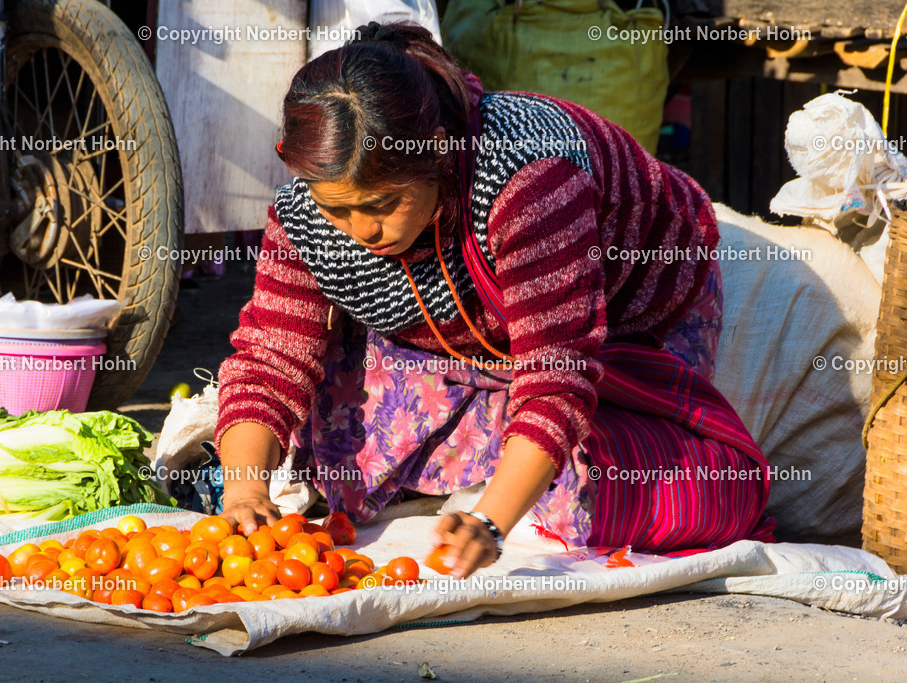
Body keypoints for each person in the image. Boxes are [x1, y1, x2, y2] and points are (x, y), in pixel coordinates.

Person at [215, 22, 773, 578]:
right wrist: (244, 493)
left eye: (384, 203)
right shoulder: (308, 214)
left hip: (618, 329)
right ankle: (484, 449)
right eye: (339, 210)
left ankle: (501, 473)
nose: (363, 229)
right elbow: (271, 356)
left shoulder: (531, 180)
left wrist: (490, 524)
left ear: (436, 152)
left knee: (598, 486)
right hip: (462, 340)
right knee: (337, 430)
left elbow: (557, 374)